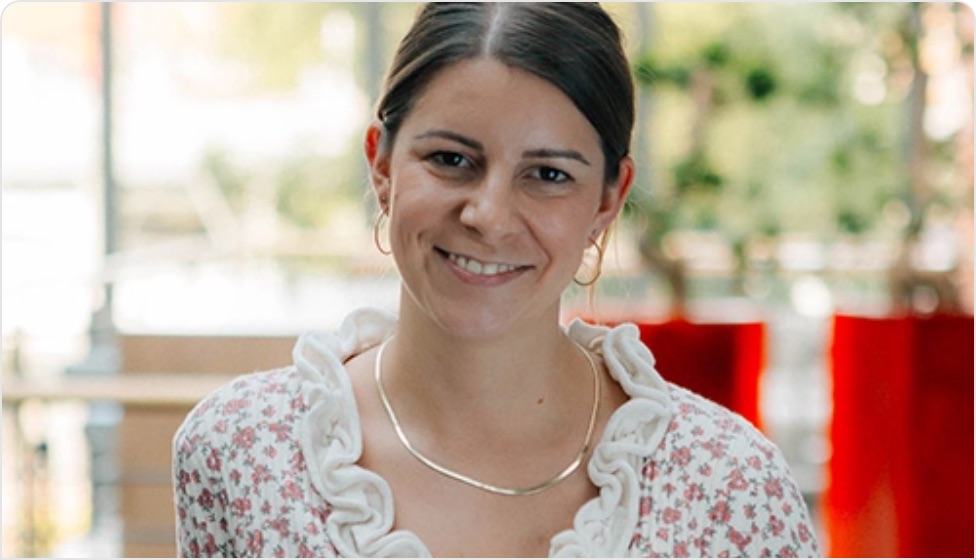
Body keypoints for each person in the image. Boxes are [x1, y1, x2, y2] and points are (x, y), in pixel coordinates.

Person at [173, 3, 820, 557]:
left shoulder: (728, 486)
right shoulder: (243, 451)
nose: (488, 216)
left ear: (608, 201)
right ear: (382, 166)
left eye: (548, 175)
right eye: (451, 159)